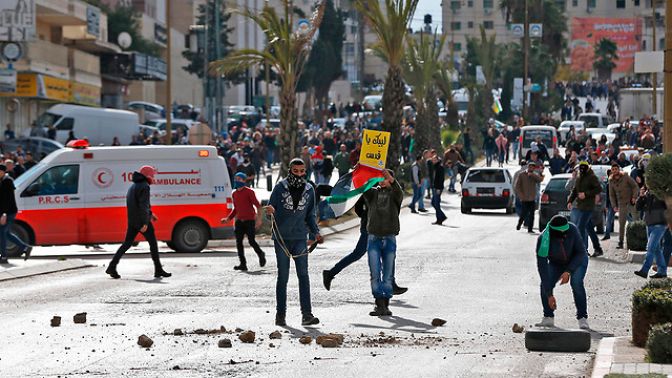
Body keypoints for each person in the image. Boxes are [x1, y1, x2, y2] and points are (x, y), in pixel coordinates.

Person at [265, 158, 322, 326]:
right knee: (283, 277)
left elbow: (310, 215)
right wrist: (269, 212)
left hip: (299, 238)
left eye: (301, 171)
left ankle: (307, 315)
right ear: (290, 170)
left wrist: (316, 232)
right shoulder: (279, 188)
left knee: (303, 275)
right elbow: (270, 211)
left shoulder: (309, 189)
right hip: (281, 239)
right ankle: (280, 315)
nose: (298, 174)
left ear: (305, 171)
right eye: (295, 171)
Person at [322, 196, 408, 295]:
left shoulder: (385, 187)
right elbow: (358, 208)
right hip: (370, 227)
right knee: (359, 253)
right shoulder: (370, 187)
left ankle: (390, 284)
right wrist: (368, 216)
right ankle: (330, 273)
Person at [105, 166, 171, 279]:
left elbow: (137, 204)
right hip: (141, 221)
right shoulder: (145, 186)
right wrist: (145, 222)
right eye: (152, 174)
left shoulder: (133, 186)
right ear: (148, 174)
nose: (154, 176)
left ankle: (112, 266)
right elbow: (143, 205)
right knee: (153, 244)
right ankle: (158, 269)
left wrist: (150, 214)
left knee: (126, 244)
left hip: (133, 220)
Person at [535, 215, 590, 330]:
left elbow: (581, 252)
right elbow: (543, 268)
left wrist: (568, 271)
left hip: (577, 260)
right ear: (555, 233)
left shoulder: (572, 229)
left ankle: (582, 318)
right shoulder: (543, 240)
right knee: (544, 284)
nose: (565, 235)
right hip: (557, 263)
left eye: (566, 232)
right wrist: (549, 294)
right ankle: (548, 317)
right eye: (562, 233)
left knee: (576, 282)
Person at [363, 169, 403, 316]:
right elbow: (363, 187)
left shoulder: (395, 195)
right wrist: (363, 171)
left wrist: (391, 179)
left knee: (387, 274)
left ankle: (385, 304)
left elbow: (398, 191)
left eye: (386, 178)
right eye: (380, 178)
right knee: (375, 273)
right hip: (374, 237)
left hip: (389, 237)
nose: (383, 180)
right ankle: (379, 303)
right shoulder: (372, 193)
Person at [222, 172, 266, 271]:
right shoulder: (234, 193)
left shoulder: (249, 192)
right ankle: (243, 264)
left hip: (249, 220)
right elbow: (236, 209)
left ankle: (261, 254)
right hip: (239, 221)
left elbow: (258, 206)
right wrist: (228, 219)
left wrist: (259, 220)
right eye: (236, 178)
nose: (237, 180)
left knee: (251, 241)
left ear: (244, 181)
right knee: (239, 243)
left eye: (240, 179)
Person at [567, 161, 602, 252]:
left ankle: (582, 250)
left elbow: (598, 188)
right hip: (580, 205)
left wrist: (586, 194)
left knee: (580, 227)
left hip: (589, 205)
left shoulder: (592, 177)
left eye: (583, 168)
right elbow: (575, 190)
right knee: (589, 228)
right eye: (580, 168)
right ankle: (598, 248)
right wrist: (570, 201)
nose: (581, 169)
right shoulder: (579, 177)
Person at [634, 186, 668, 279]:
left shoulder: (662, 191)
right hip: (649, 224)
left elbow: (669, 206)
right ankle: (662, 272)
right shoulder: (647, 193)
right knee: (656, 249)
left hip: (660, 224)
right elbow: (638, 207)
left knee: (650, 247)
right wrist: (641, 196)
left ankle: (644, 270)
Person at [0, 164, 31, 263]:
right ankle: (25, 247)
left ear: (3, 172)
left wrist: (4, 214)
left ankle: (4, 257)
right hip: (5, 211)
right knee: (7, 233)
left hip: (8, 212)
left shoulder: (7, 181)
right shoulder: (3, 180)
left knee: (2, 233)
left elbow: (7, 200)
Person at [606, 163, 638, 249]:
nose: (615, 171)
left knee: (635, 221)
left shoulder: (625, 177)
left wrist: (634, 197)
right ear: (611, 171)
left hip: (631, 201)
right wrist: (614, 206)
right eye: (613, 169)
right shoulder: (611, 180)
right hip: (621, 203)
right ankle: (620, 242)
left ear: (619, 169)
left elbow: (635, 186)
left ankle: (637, 240)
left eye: (616, 169)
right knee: (621, 223)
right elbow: (611, 195)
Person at [515, 162, 543, 233]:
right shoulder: (521, 175)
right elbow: (517, 186)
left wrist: (532, 175)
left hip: (532, 198)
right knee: (523, 213)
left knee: (532, 215)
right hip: (524, 198)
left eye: (533, 167)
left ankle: (530, 229)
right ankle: (519, 224)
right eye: (530, 167)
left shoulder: (534, 175)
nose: (531, 168)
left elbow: (540, 180)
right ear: (528, 167)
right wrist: (521, 196)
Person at [430, 153, 447, 225]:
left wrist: (438, 189)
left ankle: (439, 219)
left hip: (438, 188)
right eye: (432, 160)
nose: (433, 161)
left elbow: (441, 179)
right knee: (433, 203)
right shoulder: (435, 167)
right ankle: (442, 216)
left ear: (437, 160)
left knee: (436, 203)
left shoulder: (440, 167)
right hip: (435, 187)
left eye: (434, 160)